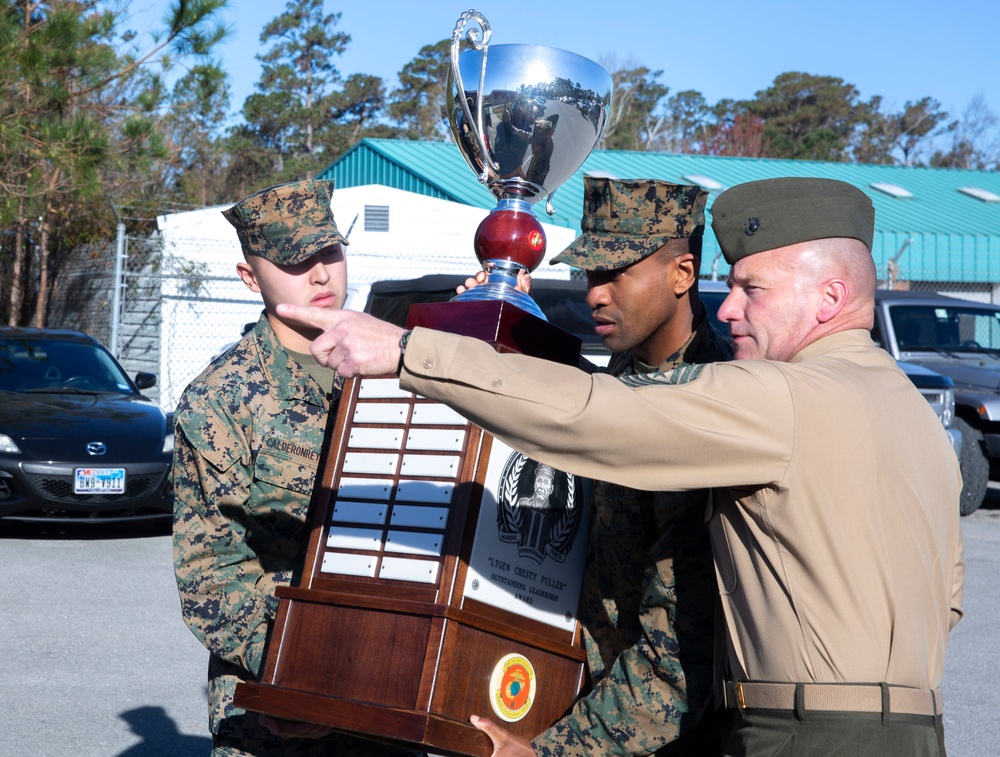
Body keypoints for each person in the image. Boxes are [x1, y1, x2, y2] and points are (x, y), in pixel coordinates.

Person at [278, 176, 965, 757]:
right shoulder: (913, 414)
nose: (729, 308)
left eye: (752, 288)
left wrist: (411, 351)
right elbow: (949, 597)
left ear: (828, 298)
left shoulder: (776, 396)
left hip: (799, 733)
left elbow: (597, 415)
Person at [464, 177, 733, 756]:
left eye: (616, 274)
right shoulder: (624, 370)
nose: (594, 294)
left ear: (682, 275)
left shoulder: (712, 407)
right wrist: (495, 321)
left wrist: (550, 753)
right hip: (583, 700)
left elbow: (681, 659)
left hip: (653, 738)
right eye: (591, 274)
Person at [172, 179, 417, 757]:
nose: (321, 275)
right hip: (279, 694)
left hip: (394, 678)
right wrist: (302, 669)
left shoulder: (390, 365)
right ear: (250, 277)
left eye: (329, 251)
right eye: (294, 260)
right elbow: (209, 571)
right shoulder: (222, 399)